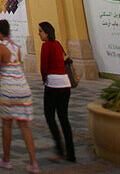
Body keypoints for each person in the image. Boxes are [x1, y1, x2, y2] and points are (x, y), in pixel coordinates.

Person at [0, 19, 39, 173]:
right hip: (23, 88)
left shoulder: (0, 47)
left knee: (7, 124)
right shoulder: (16, 47)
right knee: (24, 126)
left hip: (9, 89)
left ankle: (7, 160)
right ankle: (33, 162)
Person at [39, 20, 75, 164]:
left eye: (41, 31)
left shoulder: (46, 46)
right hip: (65, 84)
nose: (39, 33)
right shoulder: (58, 44)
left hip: (53, 84)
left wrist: (44, 80)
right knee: (64, 118)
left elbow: (43, 67)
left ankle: (60, 149)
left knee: (49, 116)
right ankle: (71, 153)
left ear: (47, 33)